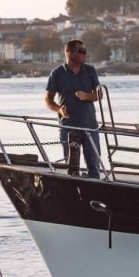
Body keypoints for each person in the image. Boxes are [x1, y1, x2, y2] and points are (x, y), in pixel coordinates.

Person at [44, 39, 103, 178]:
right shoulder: (57, 73)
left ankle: (95, 194)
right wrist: (59, 110)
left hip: (90, 126)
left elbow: (99, 94)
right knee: (71, 169)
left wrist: (87, 95)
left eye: (85, 51)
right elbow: (48, 99)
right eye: (80, 51)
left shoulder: (90, 70)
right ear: (69, 53)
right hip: (68, 127)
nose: (84, 54)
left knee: (94, 168)